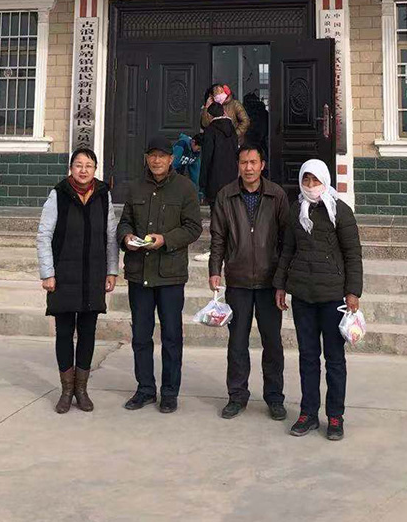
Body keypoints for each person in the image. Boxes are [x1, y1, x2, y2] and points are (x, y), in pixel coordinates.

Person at [274, 159, 363, 442]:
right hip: (303, 295)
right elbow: (287, 250)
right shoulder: (296, 211)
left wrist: (353, 292)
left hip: (333, 297)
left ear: (325, 180)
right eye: (306, 180)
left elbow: (352, 254)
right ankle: (308, 413)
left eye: (315, 180)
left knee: (334, 360)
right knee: (308, 358)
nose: (311, 186)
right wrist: (280, 285)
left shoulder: (340, 211)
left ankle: (335, 416)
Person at [117, 135, 202, 414]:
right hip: (139, 272)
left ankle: (169, 392)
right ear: (146, 158)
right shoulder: (135, 188)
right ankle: (144, 389)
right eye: (152, 155)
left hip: (170, 275)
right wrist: (126, 237)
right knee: (141, 336)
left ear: (171, 159)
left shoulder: (185, 188)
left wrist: (166, 239)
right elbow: (125, 222)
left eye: (162, 156)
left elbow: (193, 227)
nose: (156, 160)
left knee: (172, 336)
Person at [36, 147, 119, 414]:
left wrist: (112, 270)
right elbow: (44, 235)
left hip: (93, 275)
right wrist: (48, 273)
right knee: (64, 333)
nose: (83, 170)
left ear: (95, 169)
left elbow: (111, 237)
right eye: (78, 165)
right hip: (63, 275)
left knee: (87, 332)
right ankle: (66, 390)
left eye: (88, 165)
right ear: (71, 168)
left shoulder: (103, 195)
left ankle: (81, 390)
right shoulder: (58, 194)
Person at [209, 144, 289, 421]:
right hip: (238, 280)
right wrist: (215, 269)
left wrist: (282, 280)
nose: (249, 168)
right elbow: (218, 236)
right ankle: (237, 396)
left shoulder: (276, 195)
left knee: (272, 343)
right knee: (237, 343)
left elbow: (286, 240)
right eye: (244, 162)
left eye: (253, 162)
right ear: (238, 165)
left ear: (262, 165)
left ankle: (274, 397)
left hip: (269, 282)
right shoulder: (226, 195)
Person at [198, 103, 239, 211]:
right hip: (231, 177)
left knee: (216, 212)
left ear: (210, 115)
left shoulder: (210, 131)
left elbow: (207, 157)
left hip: (214, 178)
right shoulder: (232, 130)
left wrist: (202, 182)